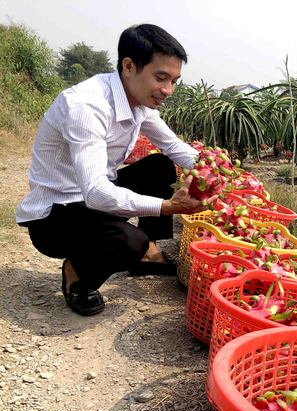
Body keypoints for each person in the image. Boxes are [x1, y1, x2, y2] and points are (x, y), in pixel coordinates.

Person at [15, 24, 215, 317]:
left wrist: (218, 170)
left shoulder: (138, 102)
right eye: (160, 78)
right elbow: (95, 193)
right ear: (129, 66)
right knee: (127, 243)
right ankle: (78, 276)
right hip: (56, 215)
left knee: (160, 165)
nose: (168, 90)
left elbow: (175, 148)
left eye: (174, 81)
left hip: (92, 198)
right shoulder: (87, 106)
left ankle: (149, 250)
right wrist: (167, 207)